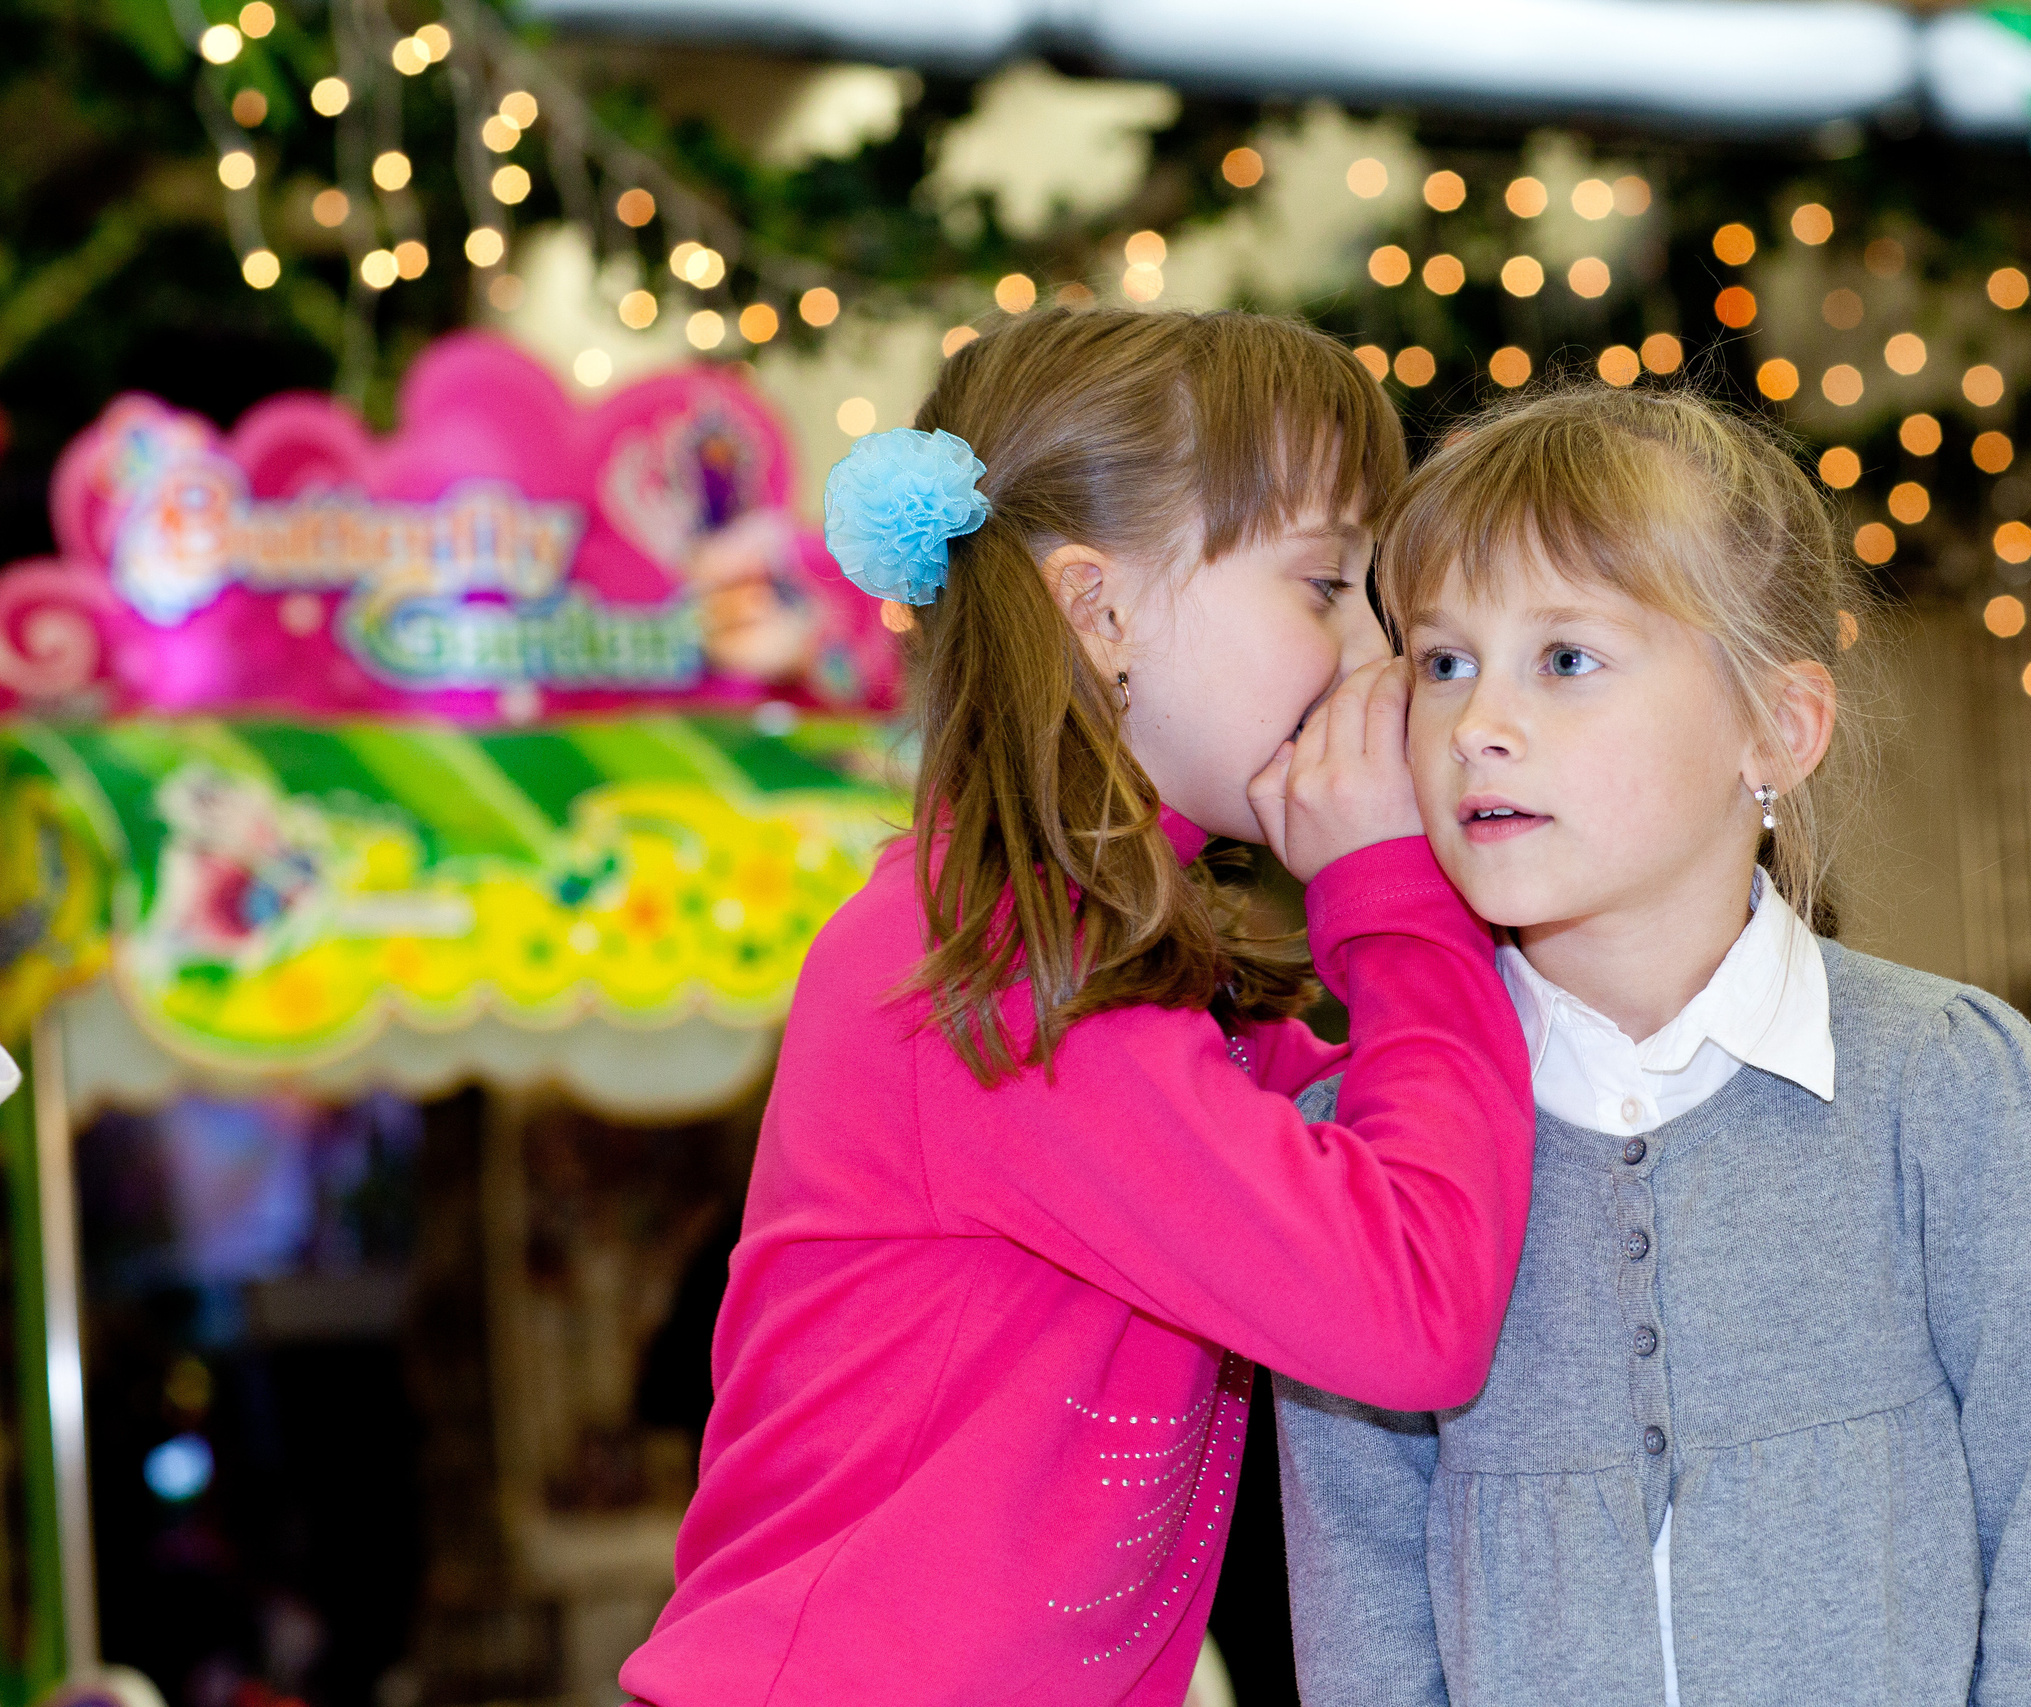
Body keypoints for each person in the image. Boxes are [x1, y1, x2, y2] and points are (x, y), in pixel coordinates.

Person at [621, 308, 1536, 1706]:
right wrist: (1391, 892)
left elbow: (1419, 1132)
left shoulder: (1102, 961)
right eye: (1324, 586)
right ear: (1097, 612)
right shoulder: (996, 971)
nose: (1380, 653)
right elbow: (1408, 1305)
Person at [1275, 387, 2031, 1707]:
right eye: (1443, 662)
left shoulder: (1953, 1087)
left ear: (1778, 729)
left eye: (1567, 658)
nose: (1477, 726)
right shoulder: (1364, 1150)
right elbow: (1363, 1628)